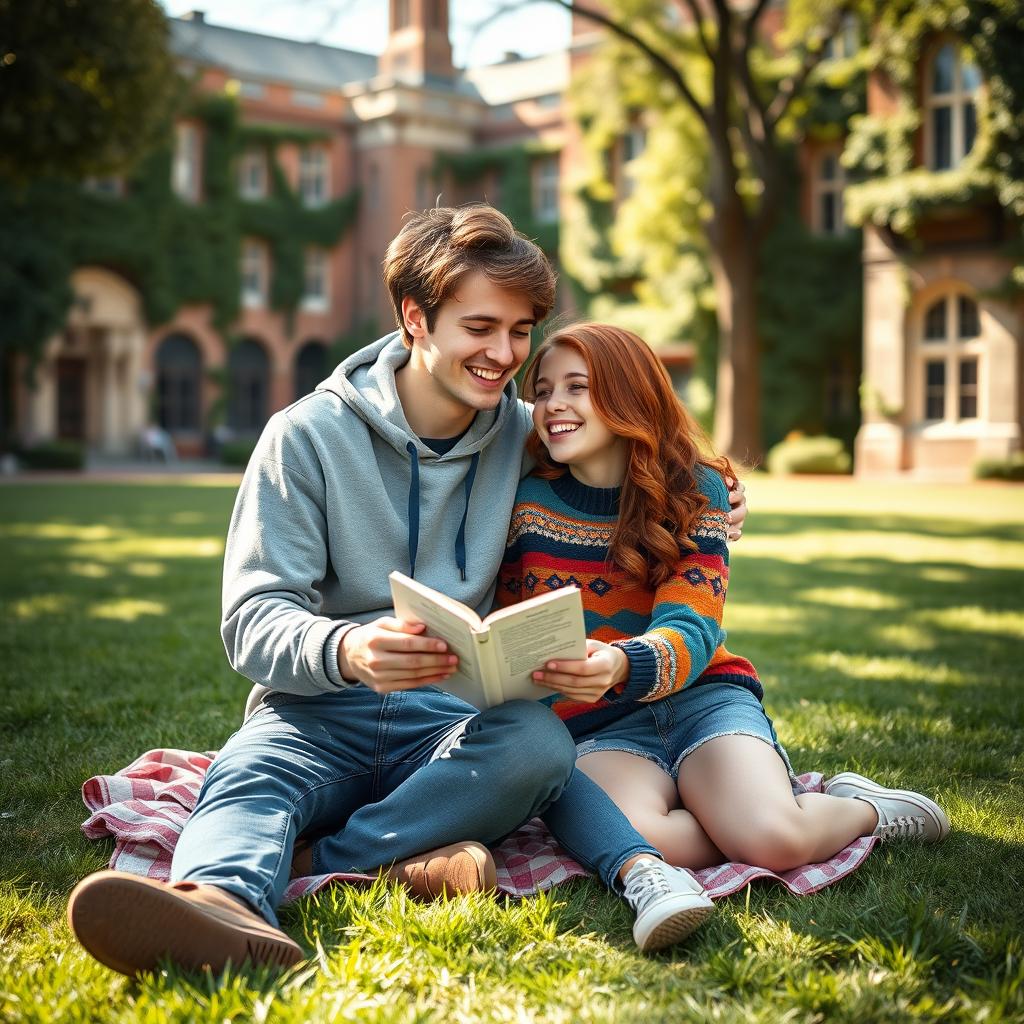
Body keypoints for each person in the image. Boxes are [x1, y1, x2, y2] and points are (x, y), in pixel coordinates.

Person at [67, 208, 749, 976]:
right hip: (318, 712)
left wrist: (708, 489)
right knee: (252, 771)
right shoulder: (303, 438)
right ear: (415, 318)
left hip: (455, 720)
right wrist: (348, 647)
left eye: (520, 331)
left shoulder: (523, 434)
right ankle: (220, 902)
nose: (503, 355)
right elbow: (250, 621)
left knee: (537, 744)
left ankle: (325, 859)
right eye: (481, 327)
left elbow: (630, 443)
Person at [498, 322, 949, 878]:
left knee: (776, 842)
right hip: (595, 726)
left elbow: (692, 627)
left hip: (700, 699)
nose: (551, 405)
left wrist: (621, 662)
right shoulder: (526, 504)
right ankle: (730, 812)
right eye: (541, 390)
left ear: (629, 394)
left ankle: (862, 808)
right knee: (637, 836)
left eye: (576, 386)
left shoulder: (698, 491)